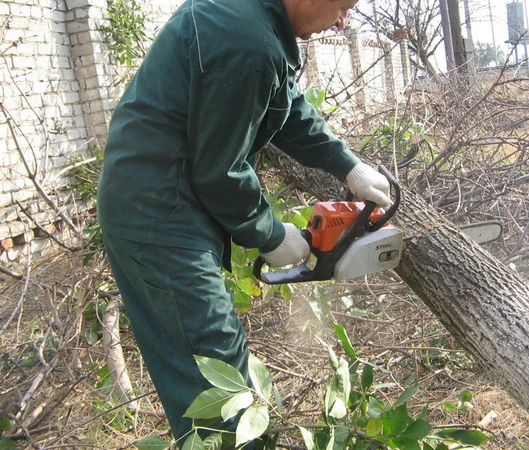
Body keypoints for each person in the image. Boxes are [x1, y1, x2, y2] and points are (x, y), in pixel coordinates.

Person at [97, 0, 391, 446]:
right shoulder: (248, 42)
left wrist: (347, 164)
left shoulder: (252, 19)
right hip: (158, 216)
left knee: (210, 364)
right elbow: (220, 170)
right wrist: (270, 234)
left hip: (160, 201)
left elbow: (286, 103)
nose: (344, 20)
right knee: (214, 378)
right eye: (345, 6)